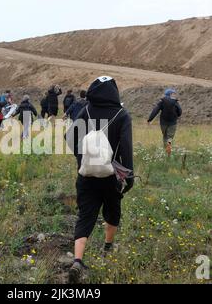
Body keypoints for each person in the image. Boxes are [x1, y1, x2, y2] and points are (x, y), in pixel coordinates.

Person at [66, 77, 134, 284]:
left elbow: (69, 138)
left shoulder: (85, 110)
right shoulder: (122, 115)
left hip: (86, 175)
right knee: (112, 210)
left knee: (85, 214)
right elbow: (126, 148)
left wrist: (82, 159)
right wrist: (128, 175)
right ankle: (107, 247)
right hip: (111, 175)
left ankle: (77, 260)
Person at [147, 88, 182, 157]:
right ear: (170, 94)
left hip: (163, 123)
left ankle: (165, 149)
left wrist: (150, 119)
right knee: (170, 137)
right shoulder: (175, 102)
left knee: (165, 136)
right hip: (173, 123)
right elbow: (180, 111)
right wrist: (177, 115)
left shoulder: (162, 102)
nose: (174, 95)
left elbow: (155, 110)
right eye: (173, 94)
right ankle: (169, 147)